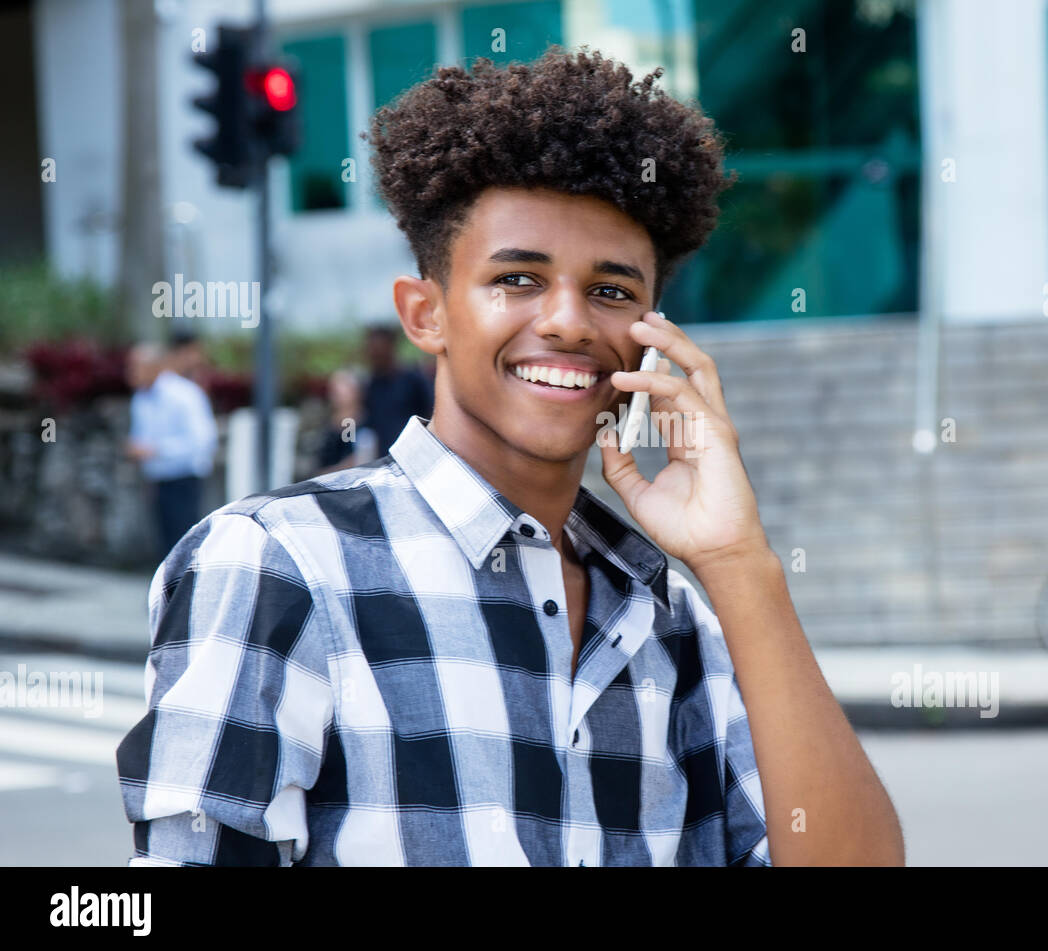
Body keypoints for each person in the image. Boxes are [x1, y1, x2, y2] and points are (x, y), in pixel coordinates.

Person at [116, 48, 903, 867]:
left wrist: (740, 563)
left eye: (611, 291)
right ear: (426, 314)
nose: (567, 321)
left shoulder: (674, 619)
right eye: (519, 279)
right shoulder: (279, 565)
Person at [123, 342, 218, 563]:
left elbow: (203, 440)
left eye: (135, 366)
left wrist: (156, 450)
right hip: (158, 480)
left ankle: (186, 596)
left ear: (154, 366)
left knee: (184, 545)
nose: (129, 373)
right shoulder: (141, 397)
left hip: (183, 480)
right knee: (164, 546)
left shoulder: (183, 395)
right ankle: (166, 596)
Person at [362, 323, 435, 454]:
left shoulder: (413, 380)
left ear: (390, 348)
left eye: (378, 350)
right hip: (383, 458)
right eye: (371, 350)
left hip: (414, 453)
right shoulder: (371, 385)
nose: (374, 355)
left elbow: (430, 414)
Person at [315, 368, 378, 473]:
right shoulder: (331, 422)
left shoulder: (352, 423)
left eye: (342, 388)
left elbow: (354, 461)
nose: (336, 393)